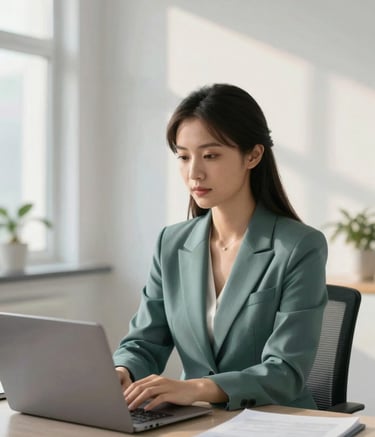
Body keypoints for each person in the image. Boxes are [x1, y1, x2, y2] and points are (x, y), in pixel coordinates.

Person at [113, 83, 328, 412]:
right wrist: (123, 371)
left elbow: (285, 371)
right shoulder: (171, 243)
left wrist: (196, 388)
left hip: (275, 421)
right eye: (183, 157)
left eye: (210, 155)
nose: (194, 173)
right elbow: (145, 340)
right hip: (196, 421)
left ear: (253, 156)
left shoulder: (299, 247)